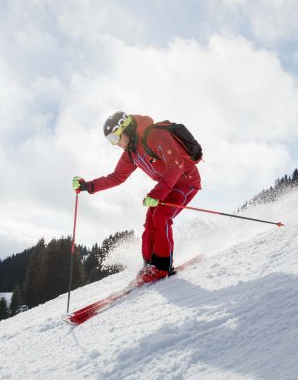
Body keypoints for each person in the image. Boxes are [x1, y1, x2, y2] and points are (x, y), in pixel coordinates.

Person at [72, 112, 201, 283]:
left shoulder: (154, 135)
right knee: (150, 219)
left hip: (186, 182)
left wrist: (156, 194)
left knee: (161, 215)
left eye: (114, 138)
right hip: (168, 185)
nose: (115, 144)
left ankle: (163, 267)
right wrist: (87, 186)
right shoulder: (131, 153)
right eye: (111, 141)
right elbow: (117, 177)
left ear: (126, 128)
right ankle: (149, 264)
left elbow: (176, 164)